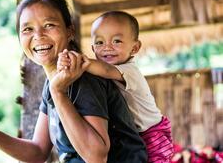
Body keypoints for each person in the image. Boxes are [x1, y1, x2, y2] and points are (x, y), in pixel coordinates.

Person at [0, 0, 147, 163]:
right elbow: (38, 151)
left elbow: (96, 157)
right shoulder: (54, 82)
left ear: (70, 31)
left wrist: (58, 92)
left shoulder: (83, 78)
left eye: (49, 25)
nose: (38, 35)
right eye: (27, 29)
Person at [58, 11, 174, 162]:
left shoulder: (129, 71)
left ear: (135, 48)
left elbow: (105, 69)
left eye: (116, 41)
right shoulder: (103, 74)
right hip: (136, 135)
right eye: (99, 42)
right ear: (93, 48)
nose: (107, 47)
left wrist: (75, 61)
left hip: (152, 133)